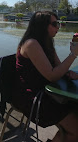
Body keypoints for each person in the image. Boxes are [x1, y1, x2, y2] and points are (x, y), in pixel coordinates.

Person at [11, 11, 78, 142]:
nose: (58, 27)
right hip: (33, 97)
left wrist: (68, 72)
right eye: (54, 24)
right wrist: (73, 55)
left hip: (47, 90)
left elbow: (59, 69)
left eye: (58, 23)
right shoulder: (31, 44)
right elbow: (52, 76)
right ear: (42, 26)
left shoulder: (47, 44)